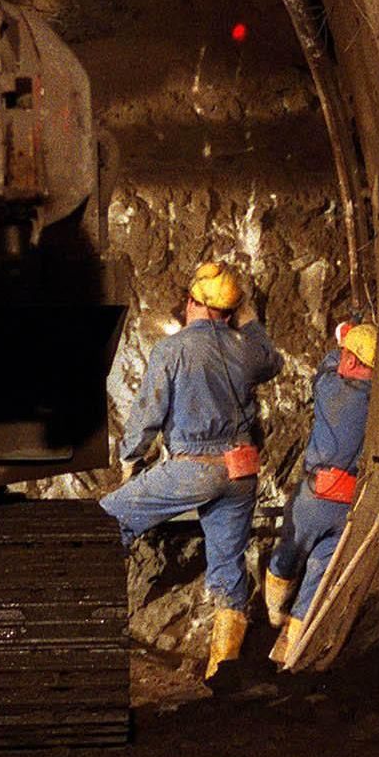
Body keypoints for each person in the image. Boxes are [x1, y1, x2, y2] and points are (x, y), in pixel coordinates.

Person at [100, 261, 281, 678]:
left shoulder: (172, 350)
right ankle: (224, 671)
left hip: (194, 467)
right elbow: (271, 361)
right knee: (227, 567)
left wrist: (131, 458)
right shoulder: (246, 347)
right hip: (241, 472)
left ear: (191, 302)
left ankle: (95, 620)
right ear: (231, 311)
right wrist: (250, 322)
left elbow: (148, 412)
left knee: (107, 519)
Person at [264, 319, 376, 662]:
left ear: (352, 362)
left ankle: (272, 615)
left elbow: (327, 366)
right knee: (316, 578)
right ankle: (289, 652)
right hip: (348, 506)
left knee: (288, 556)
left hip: (314, 499)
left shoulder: (332, 389)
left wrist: (343, 336)